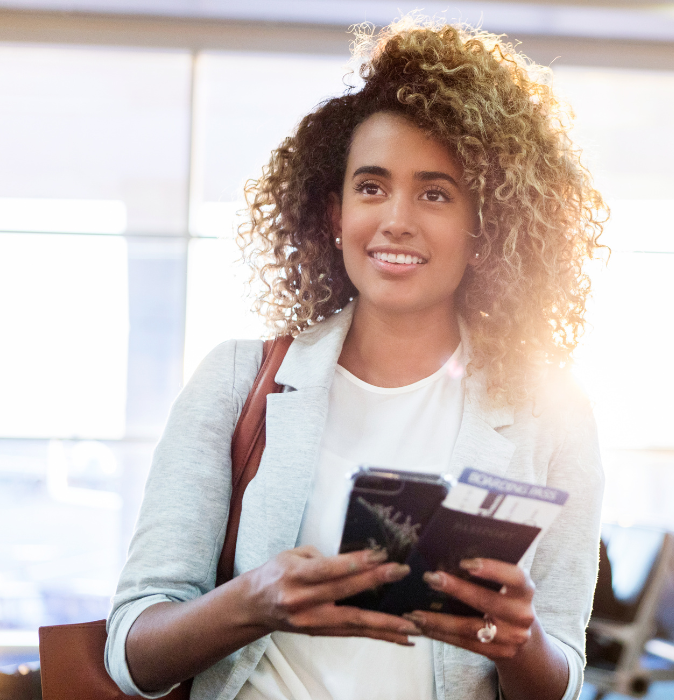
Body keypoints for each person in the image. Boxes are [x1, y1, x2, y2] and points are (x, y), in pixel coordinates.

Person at [105, 18, 606, 700]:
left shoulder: (554, 413)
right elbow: (131, 654)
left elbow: (559, 682)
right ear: (335, 212)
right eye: (372, 187)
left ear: (484, 229)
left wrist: (518, 642)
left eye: (435, 193)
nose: (396, 218)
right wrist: (256, 600)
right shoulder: (236, 380)